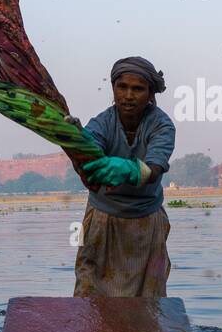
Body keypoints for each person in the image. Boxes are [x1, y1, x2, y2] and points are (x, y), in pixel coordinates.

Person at [71, 56, 176, 298]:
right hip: (100, 218)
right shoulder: (101, 123)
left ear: (150, 94)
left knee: (149, 298)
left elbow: (155, 169)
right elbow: (89, 151)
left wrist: (129, 170)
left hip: (146, 222)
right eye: (122, 87)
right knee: (88, 291)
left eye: (138, 89)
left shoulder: (162, 125)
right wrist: (74, 138)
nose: (129, 95)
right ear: (113, 89)